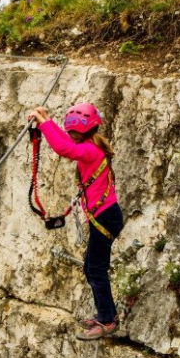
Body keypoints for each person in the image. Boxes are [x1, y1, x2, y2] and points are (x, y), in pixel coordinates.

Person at [27, 103, 125, 340]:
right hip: (104, 216)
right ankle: (107, 313)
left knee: (96, 269)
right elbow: (66, 143)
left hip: (105, 217)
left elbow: (63, 148)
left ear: (82, 132)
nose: (71, 136)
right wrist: (45, 118)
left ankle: (107, 321)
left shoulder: (91, 151)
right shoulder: (89, 145)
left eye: (73, 132)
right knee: (92, 268)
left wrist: (44, 124)